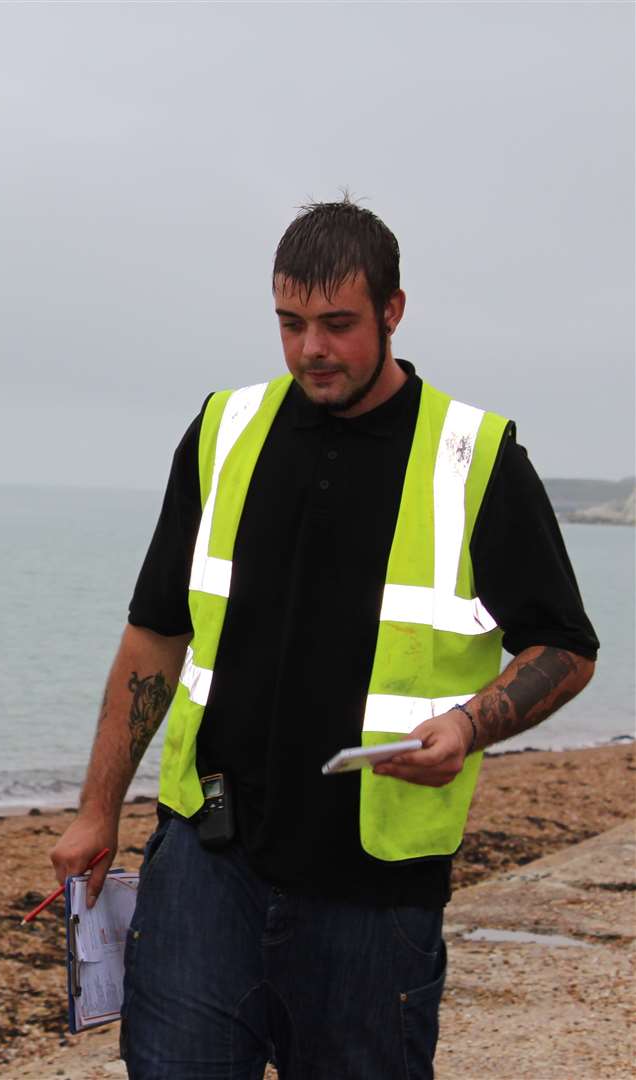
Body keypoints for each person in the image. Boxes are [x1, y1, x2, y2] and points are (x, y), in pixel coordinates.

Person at [50, 199, 598, 1079]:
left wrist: (467, 723)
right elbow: (155, 636)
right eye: (291, 323)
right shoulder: (224, 432)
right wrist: (95, 810)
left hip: (372, 892)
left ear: (393, 310)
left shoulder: (475, 456)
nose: (312, 349)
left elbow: (566, 648)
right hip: (206, 859)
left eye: (338, 324)